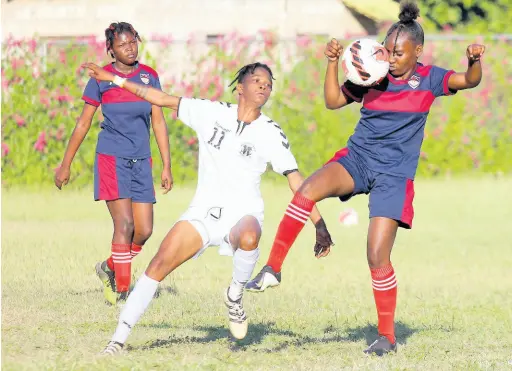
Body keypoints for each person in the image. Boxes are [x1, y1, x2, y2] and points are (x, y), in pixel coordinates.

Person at [245, 1, 485, 356]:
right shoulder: (372, 72)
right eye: (387, 50)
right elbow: (331, 101)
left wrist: (474, 61)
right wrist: (331, 62)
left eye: (399, 53)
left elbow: (469, 81)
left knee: (376, 255)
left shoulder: (430, 78)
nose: (390, 58)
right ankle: (272, 268)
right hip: (358, 159)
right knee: (308, 189)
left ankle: (387, 336)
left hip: (394, 175)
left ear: (417, 52)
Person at [81, 61, 334, 354]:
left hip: (242, 216)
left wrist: (319, 223)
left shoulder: (270, 132)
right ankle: (117, 340)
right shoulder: (211, 112)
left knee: (251, 235)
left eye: (268, 83)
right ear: (240, 88)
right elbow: (160, 98)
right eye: (257, 80)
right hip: (203, 214)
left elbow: (297, 182)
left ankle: (235, 296)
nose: (264, 85)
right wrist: (114, 78)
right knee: (156, 268)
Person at [55, 22, 173, 306]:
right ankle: (123, 292)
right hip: (111, 158)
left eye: (133, 42)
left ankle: (109, 267)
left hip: (141, 160)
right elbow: (84, 123)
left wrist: (166, 165)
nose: (130, 48)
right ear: (111, 50)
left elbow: (158, 120)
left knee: (144, 231)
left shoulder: (149, 77)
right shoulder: (100, 79)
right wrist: (65, 164)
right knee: (125, 224)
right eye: (122, 45)